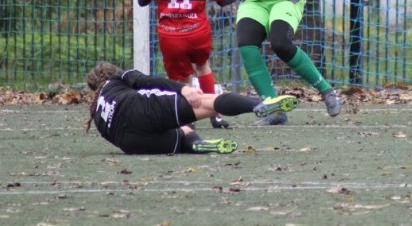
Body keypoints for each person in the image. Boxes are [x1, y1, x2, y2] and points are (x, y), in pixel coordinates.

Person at [138, 0, 256, 129]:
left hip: (170, 36)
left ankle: (186, 120)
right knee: (202, 67)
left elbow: (142, 0)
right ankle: (215, 115)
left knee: (183, 82)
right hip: (197, 33)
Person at [85, 61, 298, 155]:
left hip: (130, 143)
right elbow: (146, 80)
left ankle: (198, 145)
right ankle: (259, 105)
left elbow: (115, 138)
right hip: (140, 110)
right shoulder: (116, 79)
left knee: (184, 132)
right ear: (110, 73)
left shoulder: (96, 116)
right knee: (208, 102)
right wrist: (183, 89)